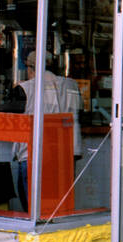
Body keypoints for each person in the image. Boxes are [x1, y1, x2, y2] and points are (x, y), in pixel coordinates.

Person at [10, 51, 83, 212]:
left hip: (32, 155)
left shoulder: (24, 89)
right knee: (59, 209)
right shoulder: (72, 85)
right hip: (65, 154)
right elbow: (81, 113)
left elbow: (10, 121)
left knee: (32, 210)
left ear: (31, 68)